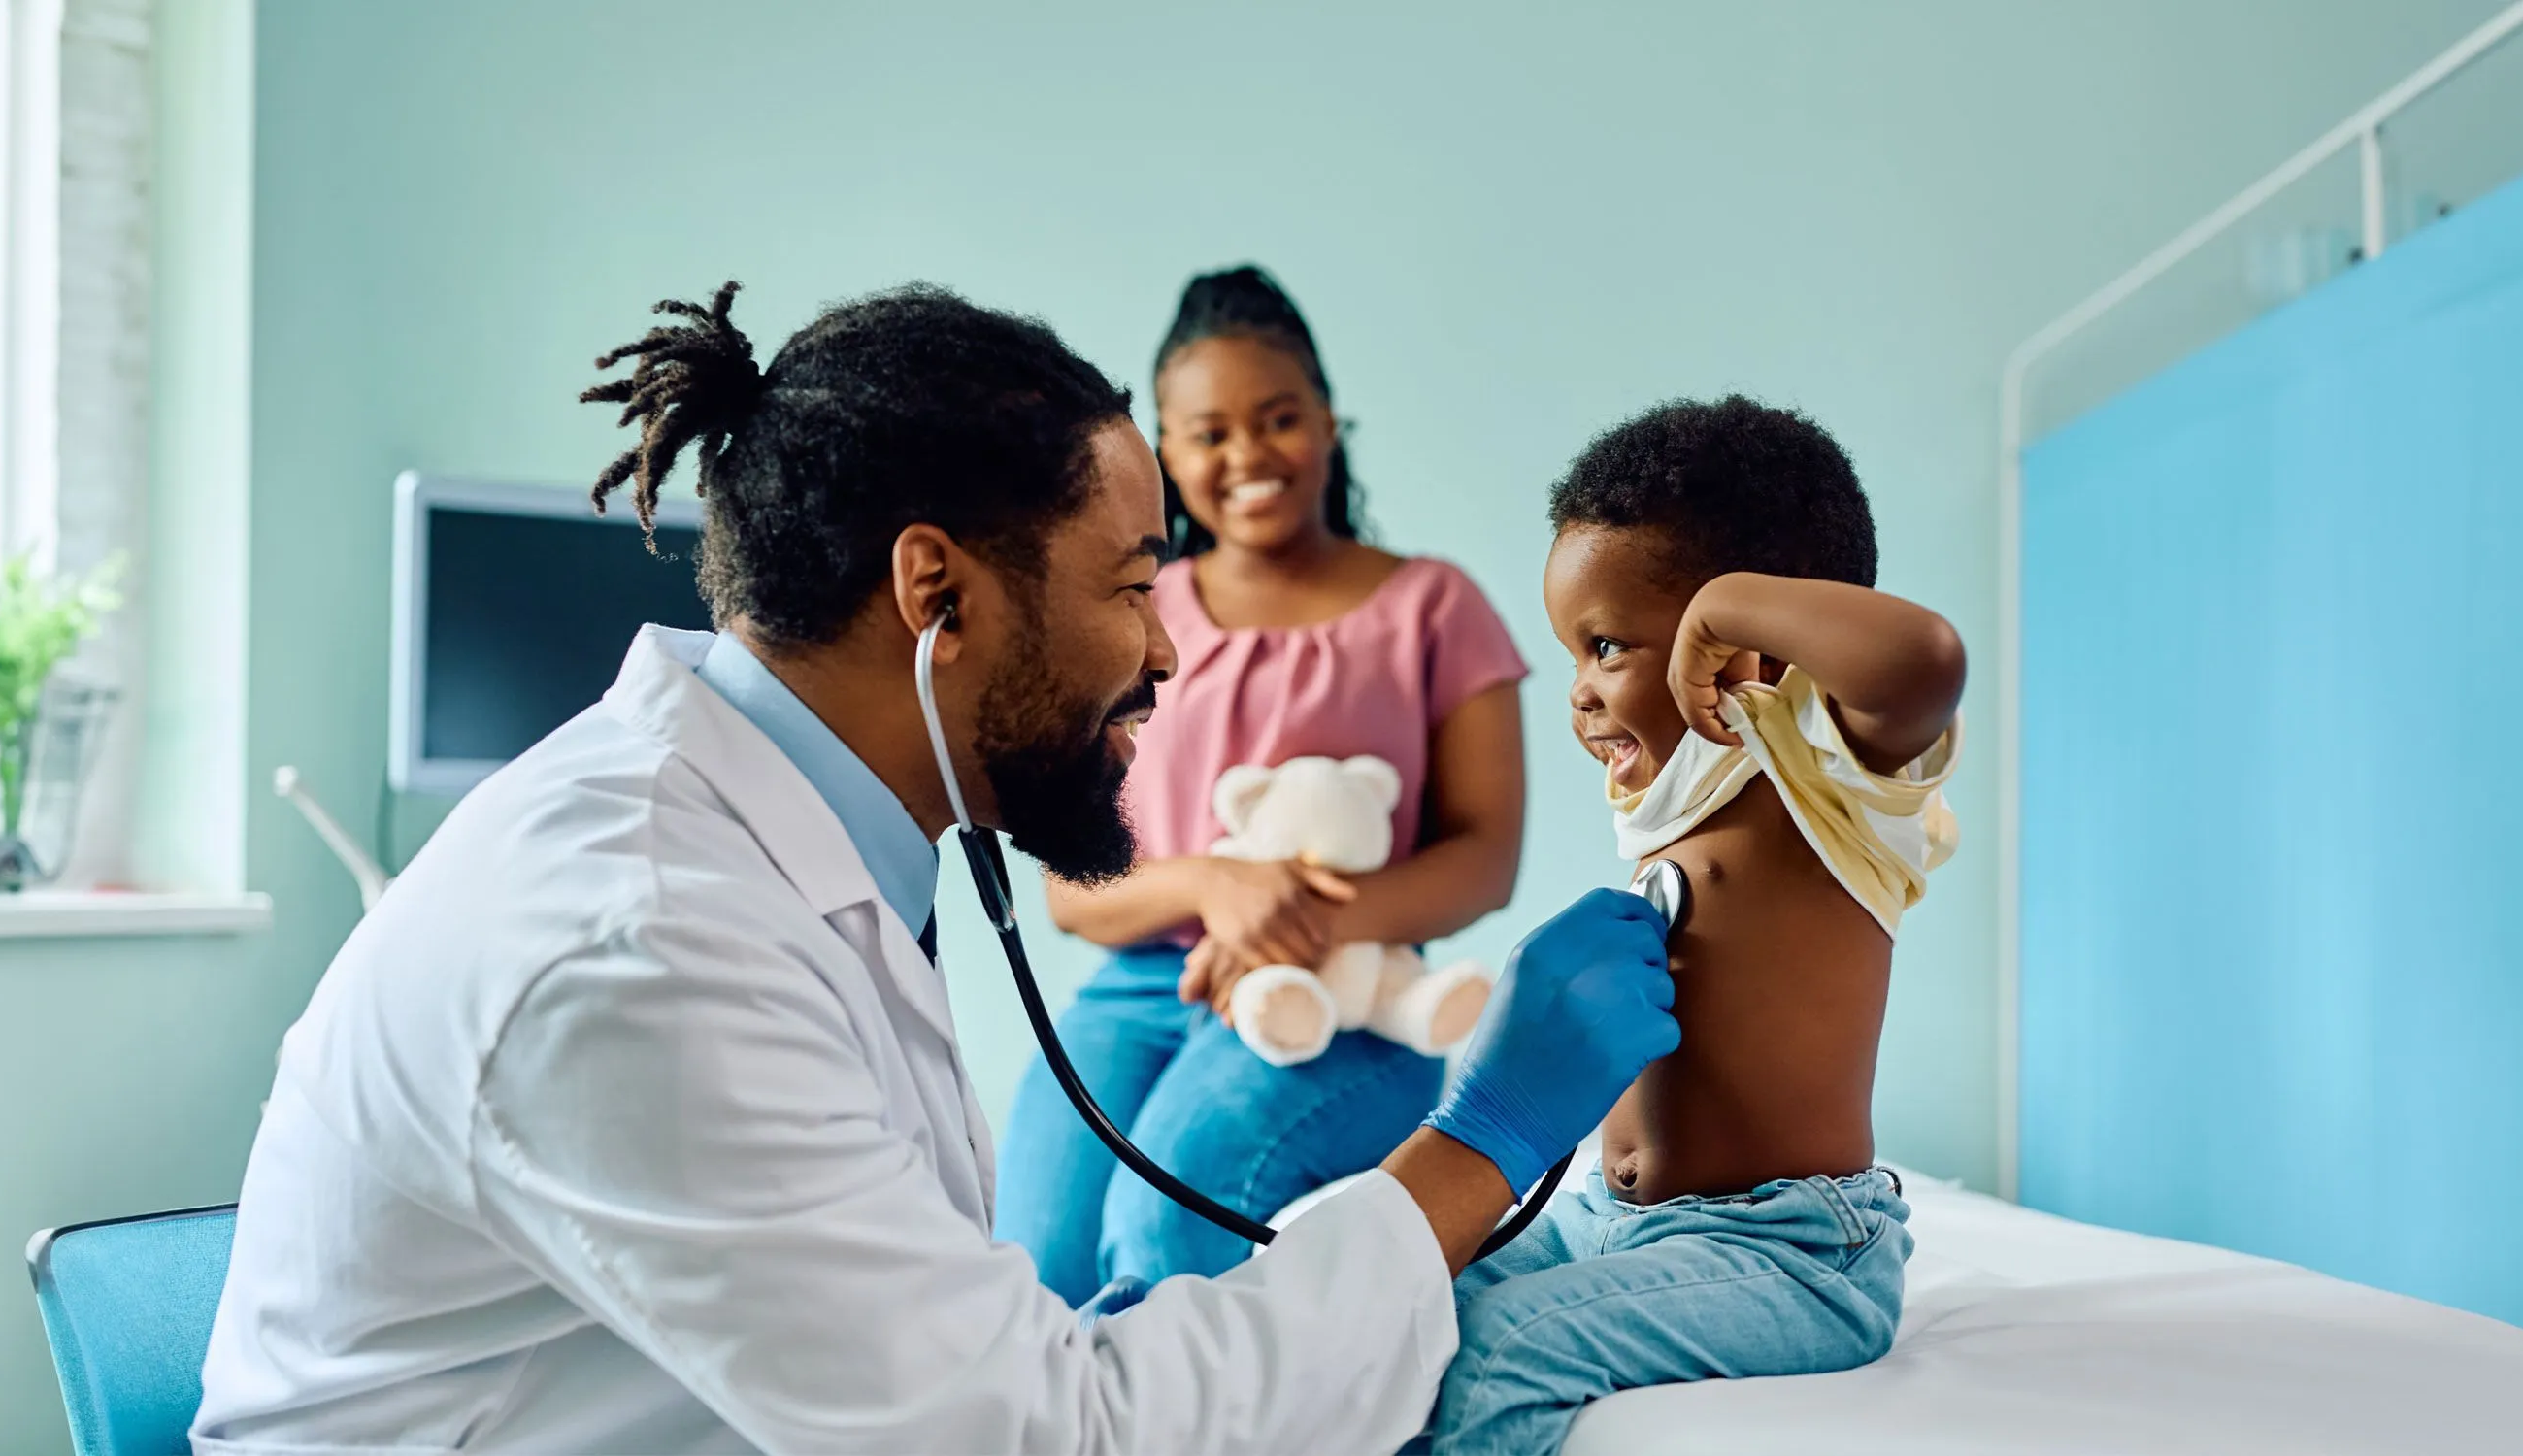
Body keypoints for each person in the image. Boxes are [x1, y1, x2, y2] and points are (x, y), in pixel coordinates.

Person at [191, 280, 1678, 1456]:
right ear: (934, 594)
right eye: (1126, 586)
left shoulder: (787, 853)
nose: (1167, 651)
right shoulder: (638, 938)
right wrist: (1480, 1144)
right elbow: (1043, 1436)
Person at [1417, 398, 1967, 1455]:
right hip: (1608, 1219)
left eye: (1607, 646)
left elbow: (1925, 660)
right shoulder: (1679, 791)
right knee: (1407, 1303)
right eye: (1574, 655)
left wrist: (1729, 606)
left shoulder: (1824, 771)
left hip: (1792, 1253)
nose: (1580, 694)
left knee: (1497, 1345)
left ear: (1746, 651)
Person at [995, 264, 1530, 1303]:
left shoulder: (1435, 608)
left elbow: (1485, 860)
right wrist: (1216, 888)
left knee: (1162, 1228)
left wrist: (1297, 923)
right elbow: (1068, 891)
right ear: (1164, 448)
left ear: (1328, 420)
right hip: (1146, 991)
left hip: (1348, 1004)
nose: (1247, 455)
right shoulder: (1138, 611)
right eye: (1208, 433)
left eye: (1278, 418)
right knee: (1032, 1263)